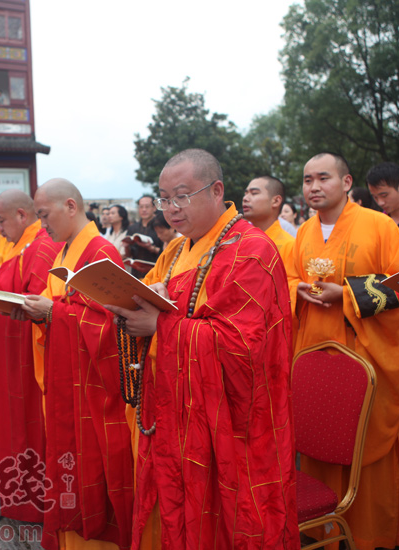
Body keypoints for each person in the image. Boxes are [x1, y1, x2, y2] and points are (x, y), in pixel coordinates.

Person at [106, 149, 298, 549]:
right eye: (163, 198)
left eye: (181, 196)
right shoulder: (176, 250)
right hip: (174, 412)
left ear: (217, 191)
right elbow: (160, 299)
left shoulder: (252, 250)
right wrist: (140, 299)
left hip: (231, 424)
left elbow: (243, 349)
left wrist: (160, 324)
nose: (171, 209)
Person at [289, 152, 399, 550]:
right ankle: (324, 528)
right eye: (308, 179)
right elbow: (294, 273)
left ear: (346, 183)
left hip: (366, 356)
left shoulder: (378, 226)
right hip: (316, 354)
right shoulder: (303, 232)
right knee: (320, 441)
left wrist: (345, 295)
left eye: (323, 178)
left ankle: (372, 532)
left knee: (366, 446)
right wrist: (295, 286)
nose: (314, 186)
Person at [21, 178, 131, 549]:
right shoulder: (63, 251)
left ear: (70, 206)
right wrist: (42, 314)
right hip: (66, 377)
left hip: (92, 387)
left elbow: (111, 324)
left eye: (45, 215)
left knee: (91, 468)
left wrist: (55, 312)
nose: (42, 225)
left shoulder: (101, 252)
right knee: (65, 461)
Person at [0, 189, 62, 522]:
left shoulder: (42, 245)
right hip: (8, 350)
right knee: (10, 420)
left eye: (0, 220)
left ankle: (34, 498)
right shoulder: (17, 245)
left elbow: (39, 302)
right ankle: (15, 490)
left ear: (21, 214)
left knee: (28, 423)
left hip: (28, 356)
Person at [242, 175, 295, 273]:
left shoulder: (290, 246)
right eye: (245, 193)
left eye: (254, 193)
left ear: (276, 201)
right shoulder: (238, 240)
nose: (245, 198)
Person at [126, 195, 162, 278]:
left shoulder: (161, 226)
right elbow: (129, 253)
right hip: (136, 273)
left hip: (156, 273)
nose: (144, 210)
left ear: (154, 208)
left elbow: (167, 250)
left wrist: (151, 248)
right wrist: (126, 246)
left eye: (147, 207)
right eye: (141, 207)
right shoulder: (133, 228)